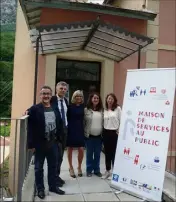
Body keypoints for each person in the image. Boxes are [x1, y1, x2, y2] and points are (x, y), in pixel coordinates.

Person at [27, 86, 65, 200]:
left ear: (51, 95)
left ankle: (53, 186)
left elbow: (59, 122)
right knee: (39, 168)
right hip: (40, 144)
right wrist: (31, 144)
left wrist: (60, 139)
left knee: (53, 166)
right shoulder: (35, 109)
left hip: (53, 143)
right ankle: (40, 189)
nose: (46, 96)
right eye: (44, 94)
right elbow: (30, 128)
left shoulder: (54, 107)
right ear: (40, 95)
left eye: (48, 94)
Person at [50, 81, 69, 185]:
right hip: (55, 132)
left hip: (64, 131)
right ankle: (53, 178)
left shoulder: (65, 101)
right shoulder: (52, 99)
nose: (62, 90)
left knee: (61, 156)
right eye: (61, 88)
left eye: (64, 89)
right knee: (55, 156)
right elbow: (40, 106)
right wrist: (28, 110)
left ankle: (56, 176)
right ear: (56, 89)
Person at [102, 93, 121, 179]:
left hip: (114, 133)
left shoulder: (118, 109)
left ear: (114, 100)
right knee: (107, 153)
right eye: (108, 99)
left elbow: (121, 120)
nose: (110, 100)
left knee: (114, 153)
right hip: (106, 132)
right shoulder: (104, 109)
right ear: (106, 100)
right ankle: (107, 170)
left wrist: (118, 131)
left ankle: (114, 171)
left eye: (111, 99)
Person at [84, 92, 103, 177]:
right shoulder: (86, 110)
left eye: (97, 98)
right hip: (89, 137)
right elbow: (83, 123)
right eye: (94, 98)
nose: (96, 99)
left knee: (97, 154)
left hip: (99, 137)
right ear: (91, 99)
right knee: (89, 154)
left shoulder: (102, 110)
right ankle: (89, 170)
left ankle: (96, 170)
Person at [67, 90, 85, 178]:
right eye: (77, 96)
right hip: (71, 129)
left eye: (80, 96)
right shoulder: (69, 107)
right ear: (74, 97)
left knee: (81, 149)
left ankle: (79, 167)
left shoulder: (84, 107)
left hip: (80, 129)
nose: (79, 98)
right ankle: (70, 167)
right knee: (70, 148)